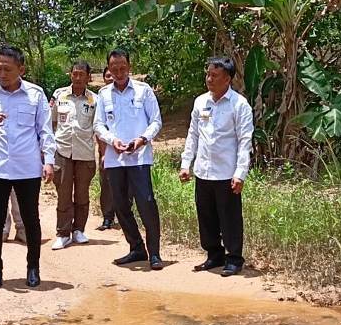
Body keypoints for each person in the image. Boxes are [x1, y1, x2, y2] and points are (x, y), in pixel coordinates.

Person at [0, 45, 56, 289]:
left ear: (21, 69)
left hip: (27, 167)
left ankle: (33, 268)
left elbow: (45, 131)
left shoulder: (35, 95)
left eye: (7, 69)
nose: (2, 73)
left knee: (31, 219)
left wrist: (48, 160)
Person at [179, 57, 254, 277]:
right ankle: (214, 255)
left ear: (227, 79)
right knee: (207, 216)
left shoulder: (239, 105)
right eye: (208, 74)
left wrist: (240, 173)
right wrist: (186, 164)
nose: (209, 79)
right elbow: (193, 134)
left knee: (229, 217)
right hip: (204, 170)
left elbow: (244, 141)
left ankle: (233, 258)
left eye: (215, 76)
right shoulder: (201, 102)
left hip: (226, 172)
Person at [93, 49, 164, 270]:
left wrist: (142, 139)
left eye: (123, 67)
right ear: (109, 69)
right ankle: (136, 248)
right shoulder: (104, 94)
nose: (119, 72)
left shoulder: (144, 91)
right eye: (114, 68)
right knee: (121, 206)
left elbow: (156, 121)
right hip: (115, 160)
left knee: (146, 204)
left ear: (129, 67)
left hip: (140, 158)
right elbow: (98, 125)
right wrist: (112, 141)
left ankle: (154, 253)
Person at [50, 60, 97, 250]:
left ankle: (78, 230)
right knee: (63, 192)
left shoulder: (95, 100)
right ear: (70, 75)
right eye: (74, 74)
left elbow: (98, 127)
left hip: (85, 152)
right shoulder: (60, 96)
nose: (78, 78)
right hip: (62, 151)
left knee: (82, 193)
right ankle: (63, 233)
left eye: (81, 74)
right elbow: (52, 122)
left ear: (88, 77)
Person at [96, 67, 117, 231]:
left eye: (112, 75)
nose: (111, 78)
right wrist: (103, 154)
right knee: (107, 186)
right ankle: (107, 218)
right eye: (107, 75)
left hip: (128, 150)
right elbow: (99, 129)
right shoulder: (100, 97)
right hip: (107, 149)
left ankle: (124, 217)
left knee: (127, 187)